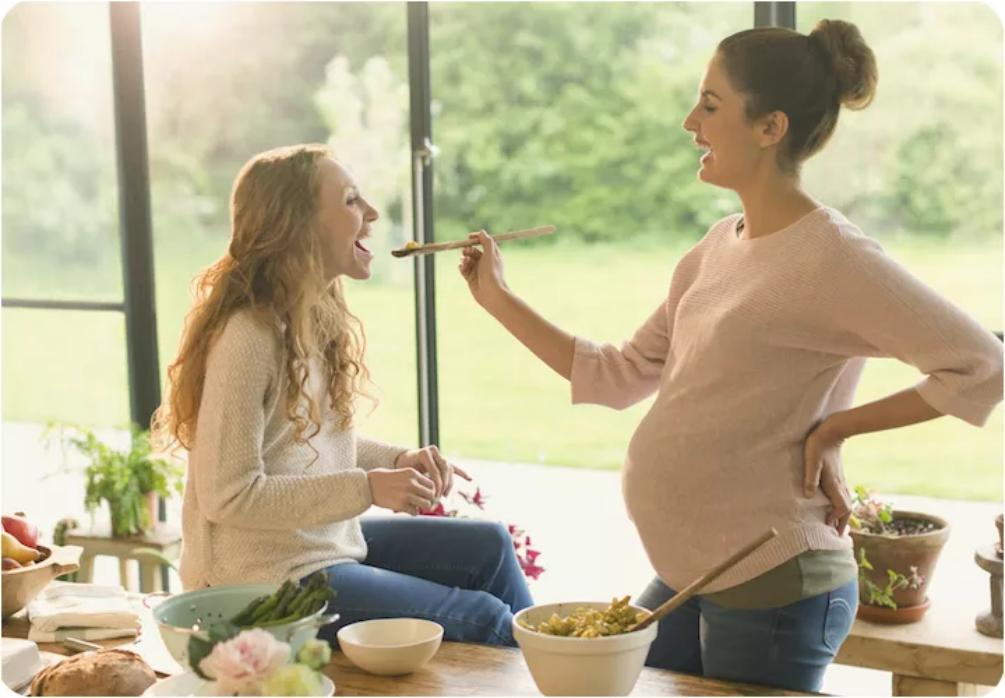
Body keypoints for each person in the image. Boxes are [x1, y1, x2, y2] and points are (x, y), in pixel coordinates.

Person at [458, 20, 1003, 692]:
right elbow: (618, 374)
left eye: (710, 105)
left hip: (771, 583)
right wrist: (497, 298)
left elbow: (979, 363)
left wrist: (835, 427)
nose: (691, 122)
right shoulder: (719, 246)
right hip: (695, 574)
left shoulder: (832, 256)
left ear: (768, 127)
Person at [153, 144, 532, 647]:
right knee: (482, 617)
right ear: (296, 224)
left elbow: (306, 444)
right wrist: (368, 488)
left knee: (489, 545)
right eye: (352, 201)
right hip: (258, 587)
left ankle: (559, 665)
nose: (373, 214)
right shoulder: (247, 334)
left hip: (316, 549)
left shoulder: (311, 316)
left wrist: (397, 459)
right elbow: (230, 493)